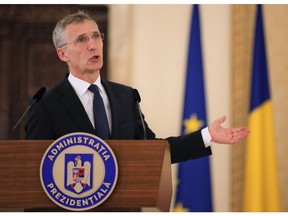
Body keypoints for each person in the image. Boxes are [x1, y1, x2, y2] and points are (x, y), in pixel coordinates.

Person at [25, 11, 250, 164]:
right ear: (63, 53)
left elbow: (152, 151)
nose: (93, 45)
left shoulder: (125, 96)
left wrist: (206, 135)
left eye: (96, 36)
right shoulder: (46, 105)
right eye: (81, 40)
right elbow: (34, 169)